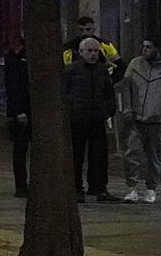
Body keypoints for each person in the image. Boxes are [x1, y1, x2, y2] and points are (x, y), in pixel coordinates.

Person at [66, 37, 119, 202]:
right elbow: (64, 93)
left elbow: (109, 93)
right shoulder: (71, 70)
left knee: (99, 155)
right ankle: (76, 189)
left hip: (97, 118)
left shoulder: (102, 70)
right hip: (78, 119)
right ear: (81, 52)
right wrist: (71, 111)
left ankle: (99, 188)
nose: (93, 54)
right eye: (89, 51)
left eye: (96, 51)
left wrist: (108, 111)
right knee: (77, 156)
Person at [120, 36, 161, 204]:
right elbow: (126, 87)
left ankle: (151, 189)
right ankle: (132, 188)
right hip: (136, 118)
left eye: (149, 47)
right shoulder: (135, 64)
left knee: (154, 157)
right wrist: (127, 109)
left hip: (156, 120)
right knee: (132, 154)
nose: (144, 50)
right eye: (143, 46)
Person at [3, 36, 30, 197]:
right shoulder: (14, 57)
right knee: (20, 149)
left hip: (33, 109)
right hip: (21, 110)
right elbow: (12, 86)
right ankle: (21, 186)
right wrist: (18, 110)